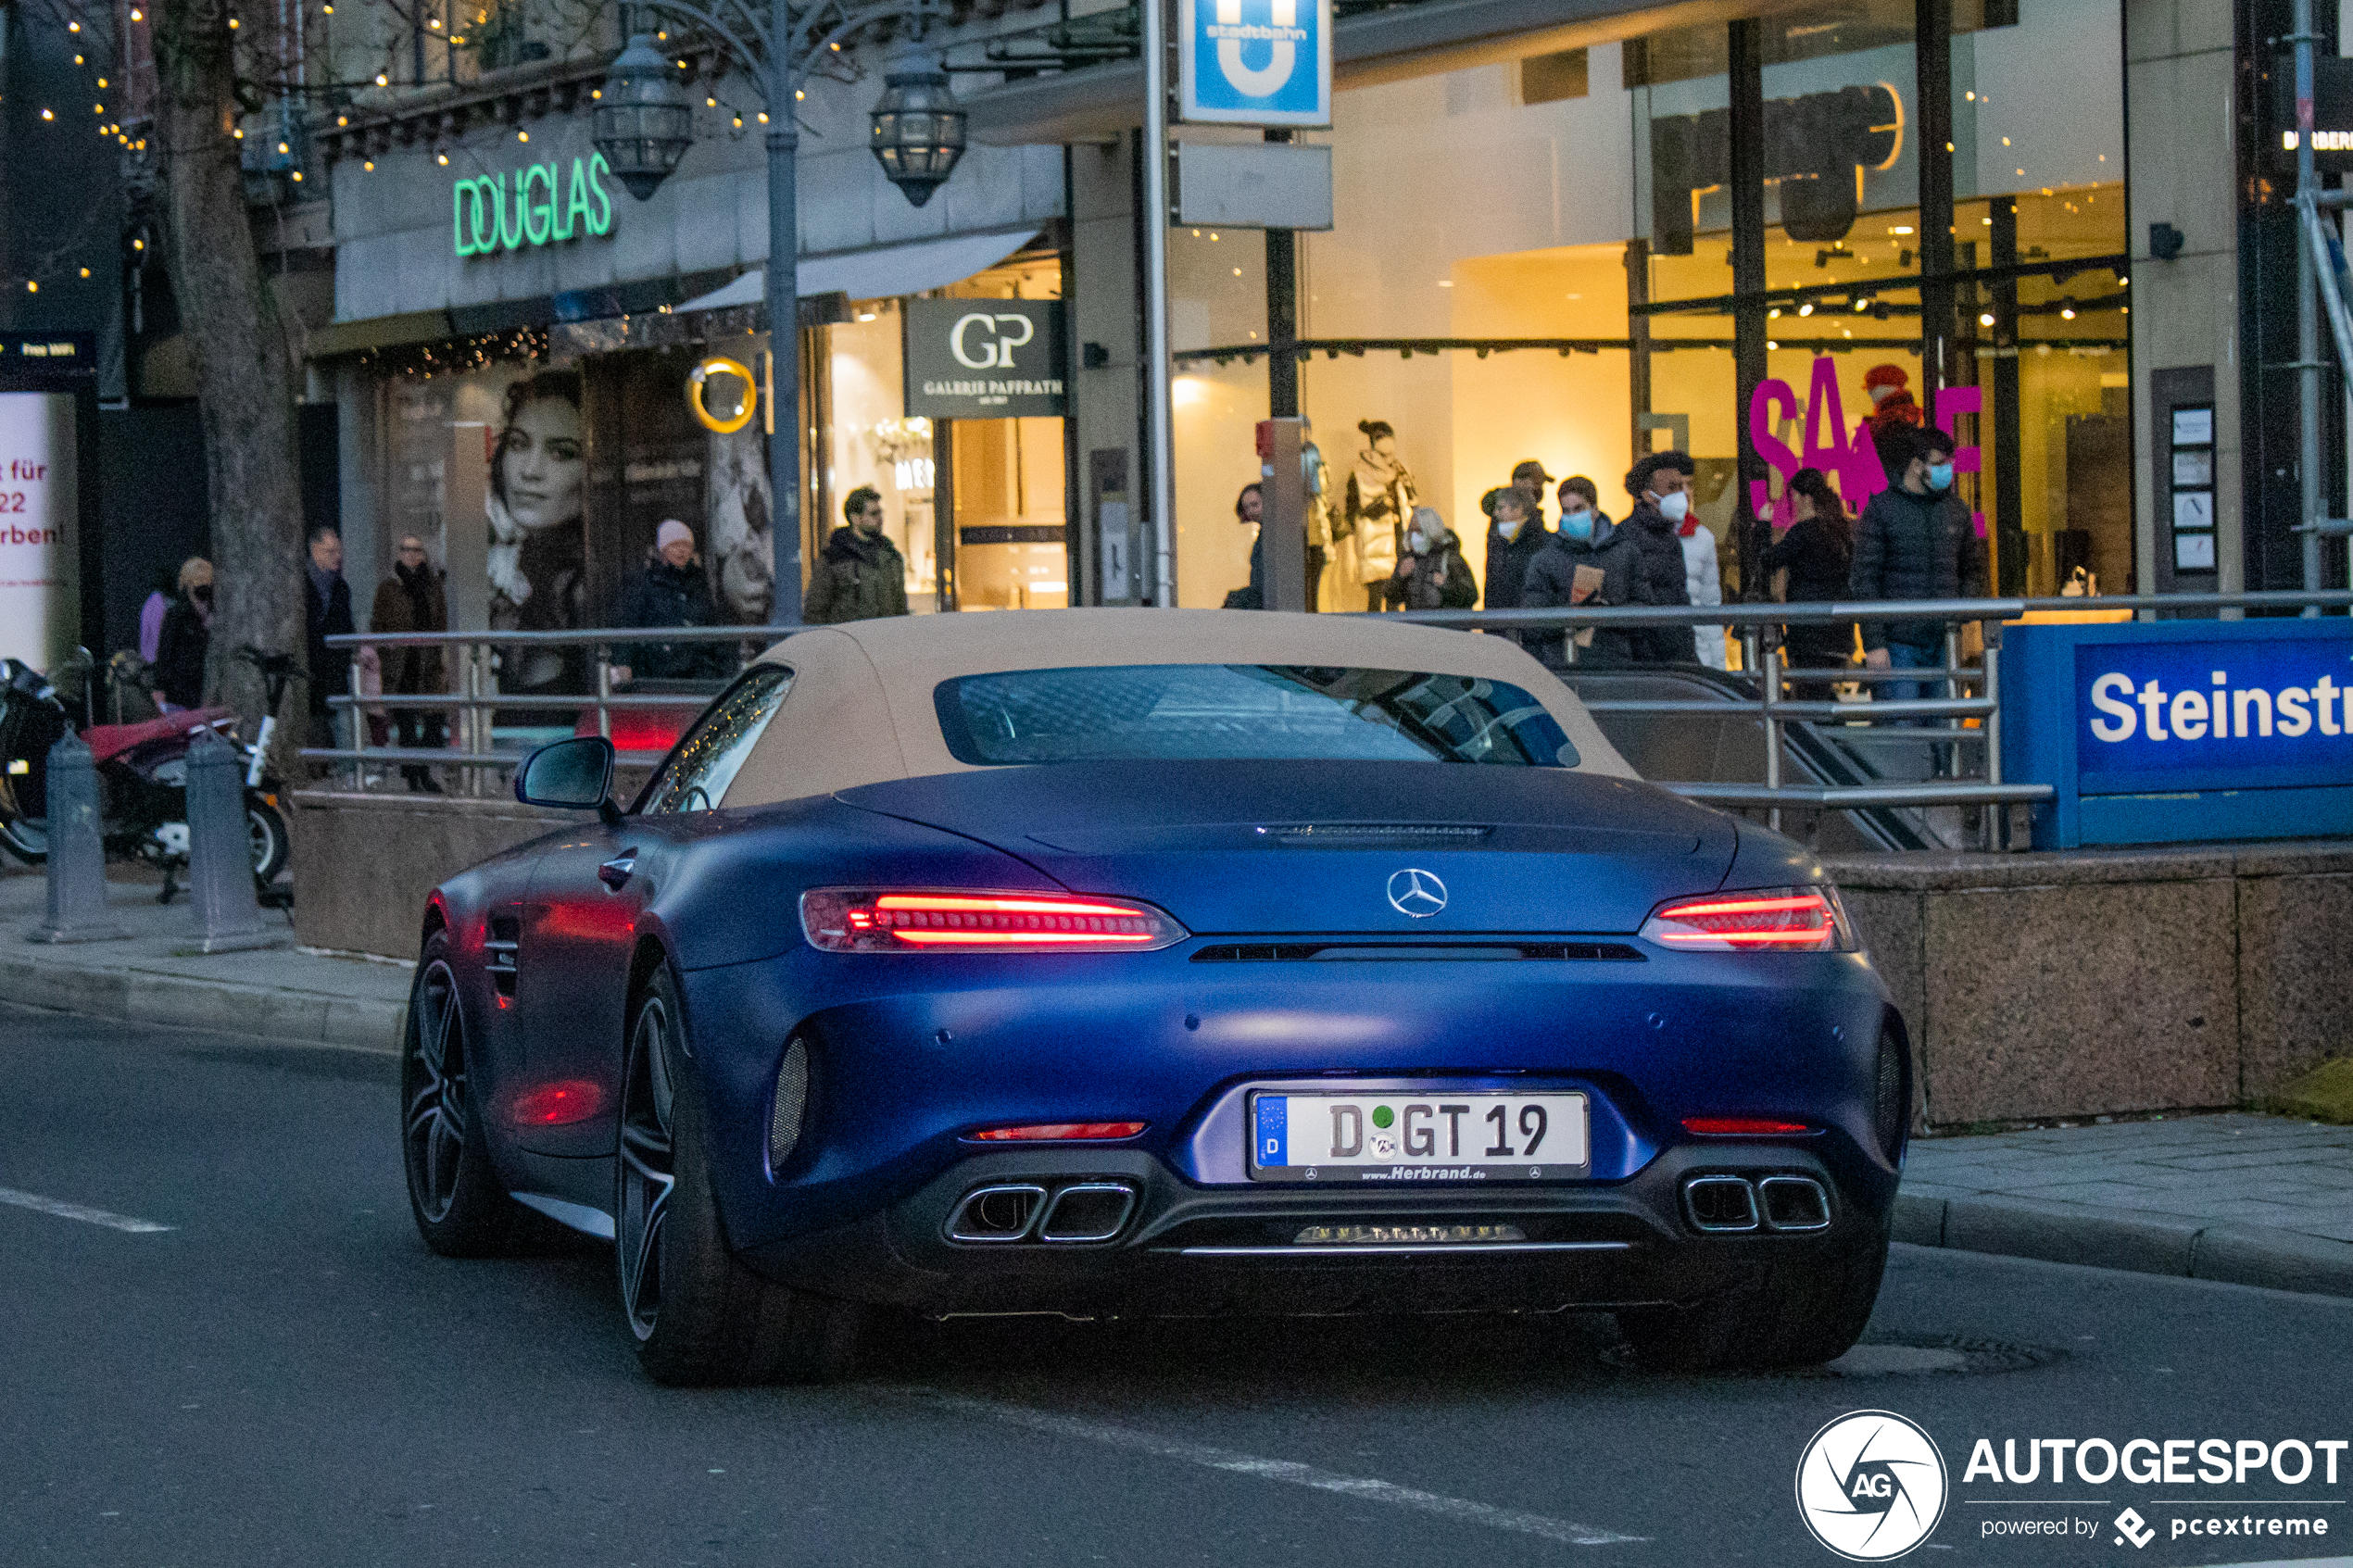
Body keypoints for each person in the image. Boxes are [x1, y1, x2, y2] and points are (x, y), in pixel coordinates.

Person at [1850, 427, 1984, 760]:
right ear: (1915, 465)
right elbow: (1864, 580)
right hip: (1899, 644)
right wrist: (1876, 644)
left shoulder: (1956, 511)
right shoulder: (1882, 510)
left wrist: (1961, 615)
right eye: (1939, 463)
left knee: (1942, 733)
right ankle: (1905, 805)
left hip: (1942, 640)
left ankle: (1941, 799)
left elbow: (1974, 568)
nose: (1947, 470)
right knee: (1902, 736)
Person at [487, 370, 589, 696]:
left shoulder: (578, 585)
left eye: (561, 453)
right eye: (518, 444)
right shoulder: (517, 561)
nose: (530, 472)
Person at [1755, 468, 1856, 702]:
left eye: (1794, 499)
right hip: (1839, 629)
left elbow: (1769, 560)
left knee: (1809, 695)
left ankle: (1820, 736)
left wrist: (1763, 526)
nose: (1792, 506)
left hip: (1809, 631)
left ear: (1805, 498)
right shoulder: (1841, 530)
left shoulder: (1802, 533)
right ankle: (1832, 733)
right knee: (1822, 690)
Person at [1521, 479, 1642, 665]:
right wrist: (1573, 616)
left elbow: (1644, 607)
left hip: (1616, 662)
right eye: (1566, 511)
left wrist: (1609, 613)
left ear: (1594, 510)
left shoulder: (1625, 552)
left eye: (1578, 509)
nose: (1571, 516)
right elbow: (1533, 620)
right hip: (1564, 662)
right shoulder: (1546, 559)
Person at [366, 534, 448, 794]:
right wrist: (386, 649)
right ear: (399, 553)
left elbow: (442, 623)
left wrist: (439, 655)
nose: (411, 554)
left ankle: (420, 770)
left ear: (423, 553)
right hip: (400, 667)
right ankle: (415, 776)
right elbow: (377, 624)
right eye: (405, 549)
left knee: (434, 722)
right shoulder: (388, 588)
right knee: (408, 726)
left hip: (428, 666)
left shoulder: (433, 586)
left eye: (416, 549)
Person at [611, 521, 730, 683]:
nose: (682, 550)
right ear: (663, 550)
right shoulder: (646, 583)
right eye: (675, 545)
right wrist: (623, 663)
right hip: (659, 672)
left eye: (687, 545)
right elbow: (628, 624)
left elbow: (713, 623)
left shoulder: (699, 582)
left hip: (700, 672)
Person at [1620, 452, 1700, 664]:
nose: (1681, 495)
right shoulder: (1624, 539)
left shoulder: (1670, 538)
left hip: (1677, 653)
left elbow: (1679, 596)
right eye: (1672, 488)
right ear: (1648, 495)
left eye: (1681, 487)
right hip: (1646, 660)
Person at [804, 485, 910, 624]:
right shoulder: (834, 558)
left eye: (880, 513)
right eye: (873, 514)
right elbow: (816, 609)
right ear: (855, 518)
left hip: (884, 639)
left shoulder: (891, 556)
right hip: (848, 640)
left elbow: (900, 606)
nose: (880, 519)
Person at [1344, 420, 1415, 611]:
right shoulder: (1360, 471)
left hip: (1400, 536)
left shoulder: (1400, 468)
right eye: (1381, 438)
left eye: (1389, 438)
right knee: (1376, 596)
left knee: (1397, 596)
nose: (1387, 442)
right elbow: (1354, 509)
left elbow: (1412, 501)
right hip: (1375, 539)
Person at [304, 525, 354, 753]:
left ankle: (349, 774)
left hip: (334, 667)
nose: (337, 557)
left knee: (342, 723)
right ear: (314, 550)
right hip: (311, 667)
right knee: (316, 726)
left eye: (338, 551)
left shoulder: (341, 588)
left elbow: (346, 624)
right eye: (330, 551)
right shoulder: (302, 585)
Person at [1381, 506, 1476, 612]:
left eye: (1418, 531)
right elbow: (1391, 597)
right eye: (1411, 531)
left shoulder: (1450, 558)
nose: (1413, 536)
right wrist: (1399, 576)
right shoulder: (1408, 559)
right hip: (1416, 625)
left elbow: (1471, 596)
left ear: (1431, 531)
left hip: (1443, 626)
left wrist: (1445, 585)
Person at [1481, 485, 1553, 617]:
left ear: (1518, 509)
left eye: (1501, 508)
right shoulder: (1499, 542)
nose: (1496, 513)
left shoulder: (1542, 542)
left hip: (1528, 623)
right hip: (1501, 622)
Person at [154, 557, 213, 710]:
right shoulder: (177, 615)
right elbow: (165, 652)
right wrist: (160, 687)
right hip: (181, 694)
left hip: (203, 691)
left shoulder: (213, 612)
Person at [1678, 506, 1727, 671]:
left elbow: (1711, 605)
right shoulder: (1630, 538)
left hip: (1699, 652)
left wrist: (1718, 670)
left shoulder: (1702, 538)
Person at [138, 565, 176, 665]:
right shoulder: (158, 603)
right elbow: (157, 632)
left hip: (151, 659)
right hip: (156, 661)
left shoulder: (151, 602)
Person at [1510, 458, 1554, 528]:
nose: (1539, 489)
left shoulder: (1532, 516)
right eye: (1536, 483)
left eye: (1541, 483)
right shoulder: (1510, 520)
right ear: (1520, 483)